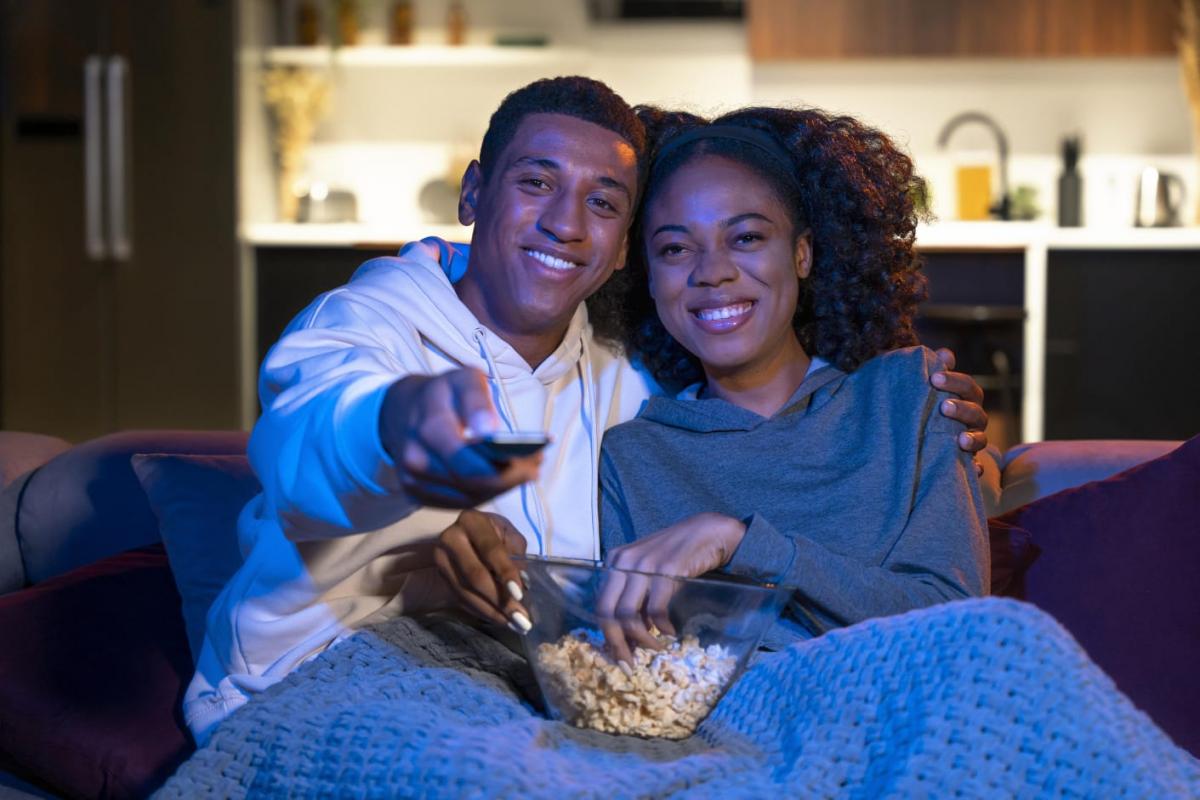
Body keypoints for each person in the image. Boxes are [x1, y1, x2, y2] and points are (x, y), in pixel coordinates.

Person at [184, 76, 989, 744]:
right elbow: (313, 440)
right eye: (536, 183)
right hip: (313, 679)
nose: (566, 224)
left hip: (499, 697)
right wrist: (412, 454)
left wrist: (959, 453)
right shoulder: (362, 330)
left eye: (603, 203)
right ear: (473, 192)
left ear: (621, 245)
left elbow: (772, 421)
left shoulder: (625, 382)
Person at [592, 106, 989, 663]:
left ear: (802, 254)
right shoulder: (633, 457)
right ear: (649, 277)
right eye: (675, 248)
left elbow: (960, 623)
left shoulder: (908, 396)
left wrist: (741, 542)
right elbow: (640, 657)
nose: (713, 271)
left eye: (746, 237)